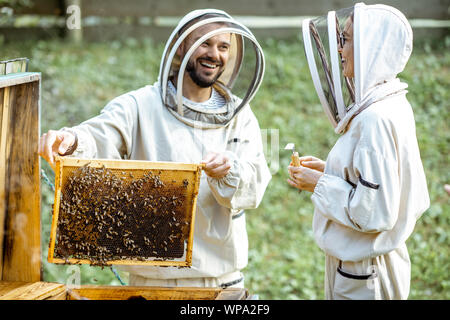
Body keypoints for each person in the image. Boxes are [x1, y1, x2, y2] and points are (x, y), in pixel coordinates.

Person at [39, 9, 271, 288]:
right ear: (182, 45)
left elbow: (254, 182)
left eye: (223, 46)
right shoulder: (139, 105)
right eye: (205, 43)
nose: (214, 54)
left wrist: (230, 170)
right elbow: (98, 136)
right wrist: (71, 140)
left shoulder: (240, 116)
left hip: (220, 282)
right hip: (151, 282)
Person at [288, 3, 430, 299]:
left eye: (347, 39)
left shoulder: (375, 118)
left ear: (372, 46)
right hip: (363, 267)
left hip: (366, 276)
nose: (339, 49)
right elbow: (381, 182)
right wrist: (331, 170)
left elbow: (375, 212)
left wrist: (318, 183)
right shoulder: (391, 102)